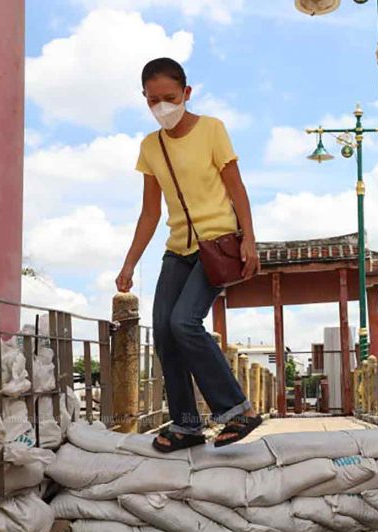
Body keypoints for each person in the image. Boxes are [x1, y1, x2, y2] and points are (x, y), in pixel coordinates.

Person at [116, 57, 262, 452]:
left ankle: (236, 410)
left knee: (184, 321)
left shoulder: (212, 129)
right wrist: (129, 262)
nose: (162, 106)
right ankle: (186, 425)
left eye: (169, 97)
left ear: (186, 93)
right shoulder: (150, 146)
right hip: (177, 249)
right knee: (163, 330)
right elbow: (150, 212)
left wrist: (249, 238)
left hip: (216, 244)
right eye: (152, 100)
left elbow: (237, 188)